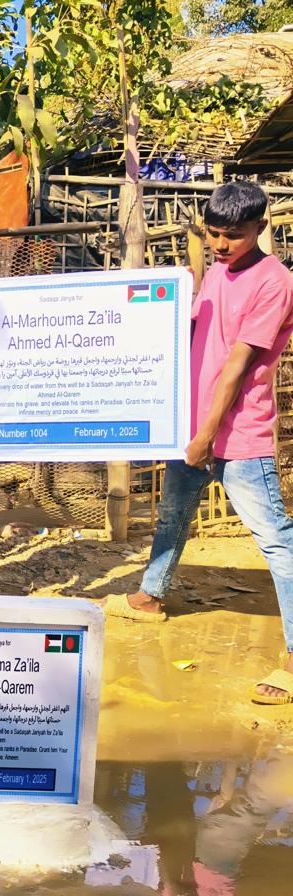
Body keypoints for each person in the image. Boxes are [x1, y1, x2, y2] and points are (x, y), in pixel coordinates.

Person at [106, 182, 293, 706]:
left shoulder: (275, 282)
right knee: (173, 514)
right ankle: (150, 596)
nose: (221, 243)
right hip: (190, 425)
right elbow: (194, 336)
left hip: (236, 431)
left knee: (276, 539)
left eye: (233, 235)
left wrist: (207, 435)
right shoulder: (213, 270)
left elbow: (237, 364)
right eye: (213, 233)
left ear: (260, 228)